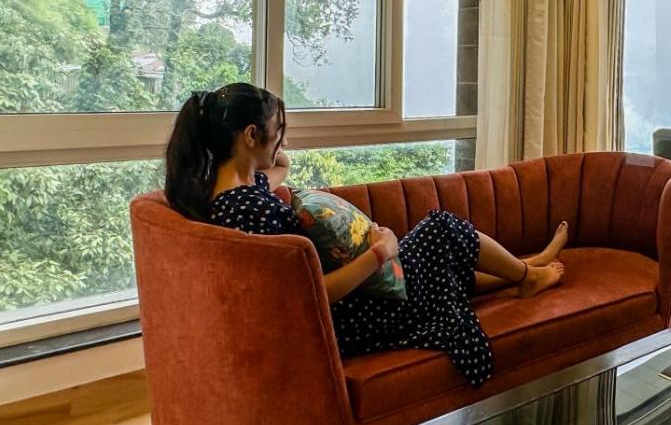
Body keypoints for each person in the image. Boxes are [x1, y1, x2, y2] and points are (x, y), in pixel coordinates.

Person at [163, 82, 565, 388]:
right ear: (250, 135)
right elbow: (310, 292)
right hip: (353, 320)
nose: (283, 140)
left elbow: (280, 166)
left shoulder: (234, 195)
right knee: (441, 228)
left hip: (351, 309)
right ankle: (528, 276)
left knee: (437, 261)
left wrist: (265, 146)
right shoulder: (252, 212)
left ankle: (525, 266)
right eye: (278, 129)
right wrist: (380, 252)